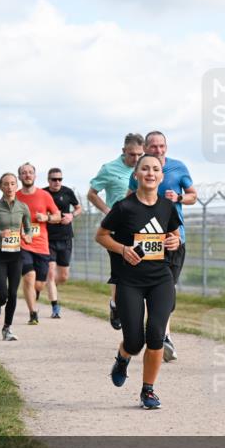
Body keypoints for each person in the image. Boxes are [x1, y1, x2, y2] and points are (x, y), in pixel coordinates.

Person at [98, 154, 182, 410]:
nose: (150, 173)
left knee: (156, 334)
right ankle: (123, 358)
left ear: (161, 176)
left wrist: (174, 241)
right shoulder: (124, 207)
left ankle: (148, 391)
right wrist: (123, 250)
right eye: (145, 169)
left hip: (160, 278)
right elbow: (101, 236)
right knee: (135, 342)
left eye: (155, 169)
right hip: (129, 281)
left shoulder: (167, 207)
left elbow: (175, 235)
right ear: (136, 175)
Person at [127, 131, 197, 362]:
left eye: (161, 146)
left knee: (168, 288)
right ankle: (163, 337)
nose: (158, 150)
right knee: (153, 288)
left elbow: (193, 196)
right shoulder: (139, 171)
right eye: (153, 146)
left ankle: (161, 332)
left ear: (166, 147)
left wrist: (178, 198)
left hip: (173, 238)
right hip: (146, 239)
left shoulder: (178, 168)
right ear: (145, 148)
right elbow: (129, 199)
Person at [88, 133, 142, 329]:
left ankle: (132, 309)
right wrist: (107, 210)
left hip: (140, 227)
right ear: (123, 151)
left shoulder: (145, 168)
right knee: (120, 271)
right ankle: (116, 304)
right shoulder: (109, 169)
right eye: (131, 154)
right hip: (116, 227)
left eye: (139, 154)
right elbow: (91, 194)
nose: (136, 159)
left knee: (139, 269)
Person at [0, 173, 33, 341]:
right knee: (2, 293)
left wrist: (27, 236)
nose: (9, 187)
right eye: (6, 184)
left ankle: (7, 329)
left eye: (12, 184)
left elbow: (28, 229)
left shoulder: (23, 207)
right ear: (0, 187)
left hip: (16, 255)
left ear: (16, 186)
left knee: (13, 293)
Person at [15, 163, 60, 325]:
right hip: (22, 244)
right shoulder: (15, 196)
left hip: (41, 245)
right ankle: (33, 313)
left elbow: (57, 215)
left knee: (39, 284)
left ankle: (36, 295)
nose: (27, 175)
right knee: (29, 277)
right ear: (19, 177)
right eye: (24, 173)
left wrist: (47, 218)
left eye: (30, 172)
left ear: (34, 176)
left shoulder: (44, 196)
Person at [43, 167, 82, 318]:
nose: (57, 182)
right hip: (48, 239)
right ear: (49, 180)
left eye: (60, 179)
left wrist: (72, 215)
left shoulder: (67, 192)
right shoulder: (43, 193)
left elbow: (79, 208)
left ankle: (50, 285)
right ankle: (55, 308)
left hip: (65, 238)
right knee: (51, 273)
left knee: (63, 276)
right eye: (54, 179)